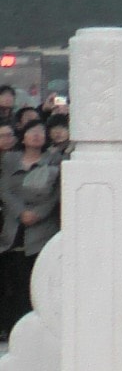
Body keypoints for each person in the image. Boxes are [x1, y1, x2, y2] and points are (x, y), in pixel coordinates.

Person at [0, 122, 59, 336]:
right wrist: (20, 212)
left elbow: (54, 195)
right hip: (14, 226)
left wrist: (38, 213)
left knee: (36, 279)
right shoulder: (10, 160)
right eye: (31, 132)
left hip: (42, 228)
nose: (36, 136)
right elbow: (5, 190)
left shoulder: (54, 162)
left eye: (40, 132)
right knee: (13, 279)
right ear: (22, 137)